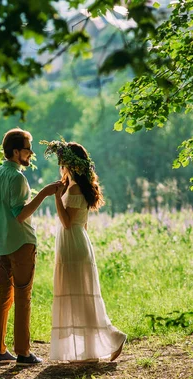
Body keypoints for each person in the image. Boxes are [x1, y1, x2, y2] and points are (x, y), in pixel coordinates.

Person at [42, 140, 127, 363]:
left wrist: (55, 198)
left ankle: (113, 337)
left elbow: (68, 222)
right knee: (77, 298)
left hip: (74, 242)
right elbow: (79, 223)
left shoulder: (75, 188)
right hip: (75, 243)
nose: (60, 164)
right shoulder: (72, 185)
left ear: (71, 162)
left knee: (82, 298)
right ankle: (86, 350)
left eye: (63, 160)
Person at [0, 128, 63, 366]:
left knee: (3, 297)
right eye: (28, 148)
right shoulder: (18, 178)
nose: (31, 153)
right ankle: (23, 352)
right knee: (23, 297)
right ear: (16, 151)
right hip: (21, 243)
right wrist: (45, 193)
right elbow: (20, 215)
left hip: (1, 245)